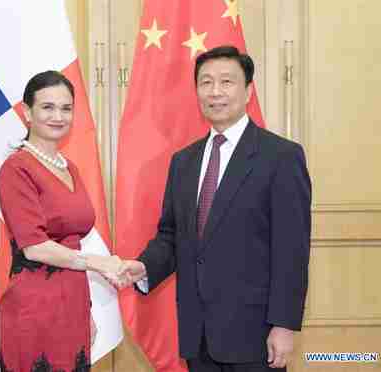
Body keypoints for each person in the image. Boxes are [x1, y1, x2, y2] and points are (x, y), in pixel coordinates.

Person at [116, 45, 311, 372]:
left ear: (248, 90)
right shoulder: (184, 161)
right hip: (197, 333)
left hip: (255, 334)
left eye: (226, 82)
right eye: (206, 82)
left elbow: (292, 250)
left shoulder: (280, 156)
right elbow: (172, 234)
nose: (215, 92)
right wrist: (145, 267)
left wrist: (284, 324)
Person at [0, 70, 121, 372]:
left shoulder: (70, 168)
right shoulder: (16, 169)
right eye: (47, 107)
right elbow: (35, 247)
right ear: (27, 112)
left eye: (66, 108)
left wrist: (85, 311)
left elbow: (71, 239)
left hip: (74, 306)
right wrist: (99, 262)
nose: (58, 116)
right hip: (34, 309)